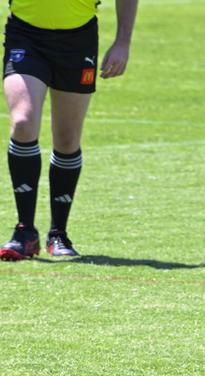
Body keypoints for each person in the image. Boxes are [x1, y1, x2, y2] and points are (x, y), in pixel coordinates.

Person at [0, 0, 138, 260]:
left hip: (78, 39)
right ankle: (24, 232)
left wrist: (122, 42)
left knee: (66, 138)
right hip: (25, 34)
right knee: (22, 121)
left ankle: (58, 233)